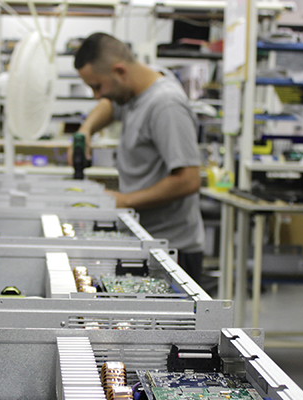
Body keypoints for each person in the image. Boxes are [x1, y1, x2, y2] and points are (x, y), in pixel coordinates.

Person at [70, 32, 206, 285]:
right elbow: (110, 107)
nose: (96, 96)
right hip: (146, 239)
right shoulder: (135, 88)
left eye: (97, 86)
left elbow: (188, 180)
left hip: (172, 251)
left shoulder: (165, 105)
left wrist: (125, 201)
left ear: (120, 71)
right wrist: (85, 130)